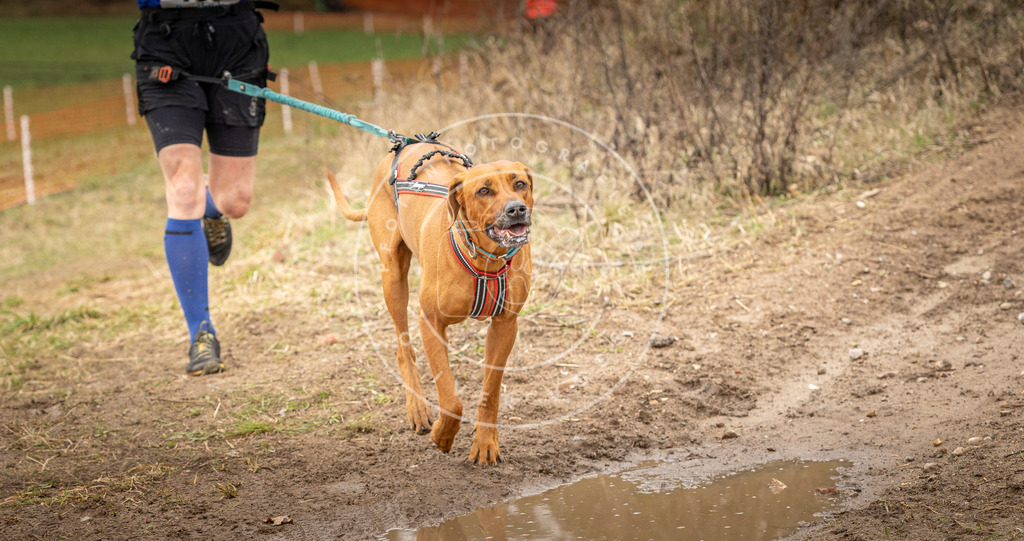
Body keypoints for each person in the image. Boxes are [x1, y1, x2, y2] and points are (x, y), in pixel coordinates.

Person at [131, 0, 275, 375]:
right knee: (182, 188)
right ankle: (201, 334)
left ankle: (210, 208)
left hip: (237, 40)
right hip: (165, 44)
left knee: (235, 200)